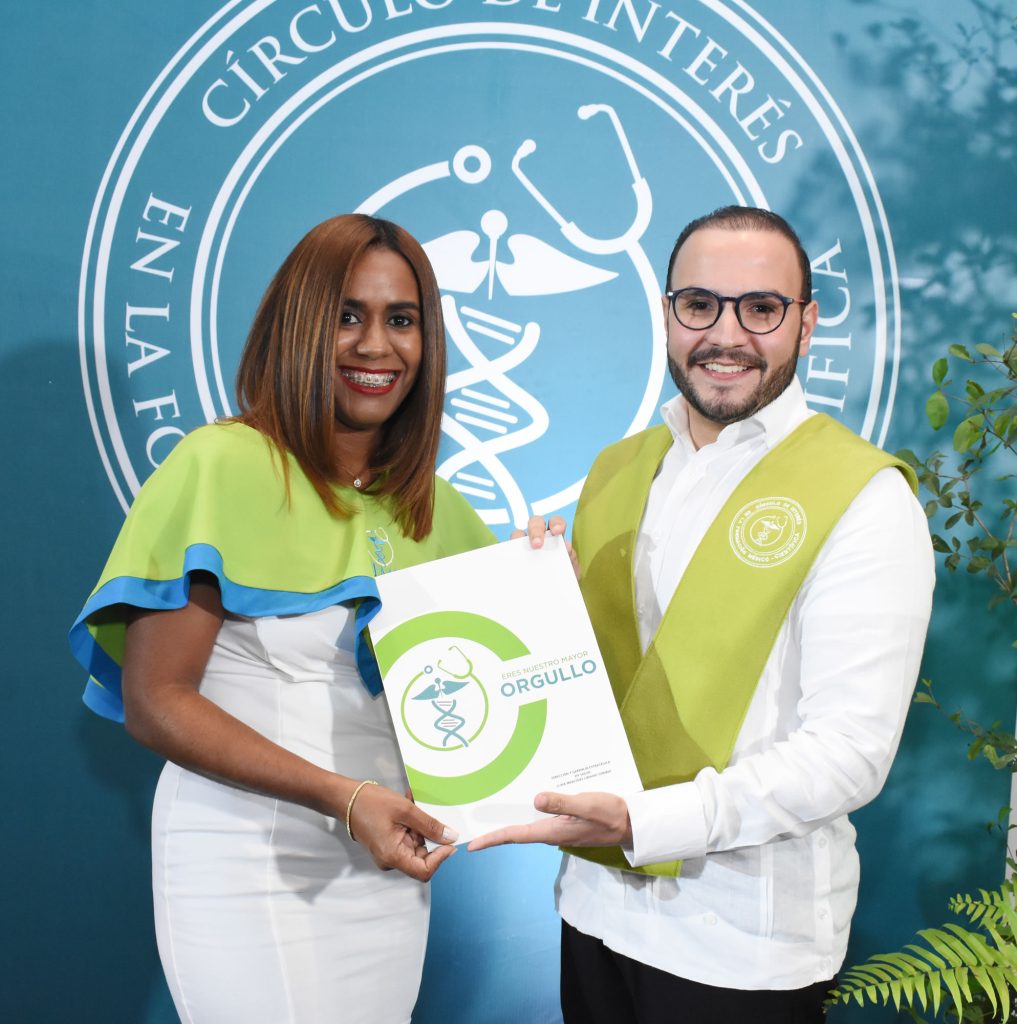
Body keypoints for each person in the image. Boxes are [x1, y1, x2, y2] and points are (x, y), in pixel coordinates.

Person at [69, 214, 562, 1024]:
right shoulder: (219, 463)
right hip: (244, 855)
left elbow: (497, 700)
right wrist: (344, 796)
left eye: (401, 319)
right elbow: (155, 701)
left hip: (383, 861)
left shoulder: (435, 508)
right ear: (297, 326)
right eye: (346, 316)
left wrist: (534, 584)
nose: (376, 345)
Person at [471, 206, 935, 1023]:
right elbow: (596, 690)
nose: (725, 334)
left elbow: (848, 753)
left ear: (805, 324)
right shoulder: (618, 468)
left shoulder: (864, 498)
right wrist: (541, 610)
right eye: (698, 305)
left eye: (760, 308)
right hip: (592, 906)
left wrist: (647, 821)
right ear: (666, 313)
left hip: (740, 941)